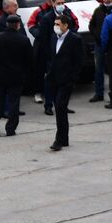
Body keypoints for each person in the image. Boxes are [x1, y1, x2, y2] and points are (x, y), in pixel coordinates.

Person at [0, 14, 34, 136]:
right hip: (16, 76)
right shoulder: (23, 40)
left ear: (7, 24)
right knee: (14, 103)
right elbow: (29, 60)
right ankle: (11, 128)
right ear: (18, 25)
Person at [46, 13, 83, 151]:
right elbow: (51, 57)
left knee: (61, 107)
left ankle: (59, 140)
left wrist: (72, 78)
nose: (56, 27)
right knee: (59, 109)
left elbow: (79, 61)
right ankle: (65, 138)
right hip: (54, 79)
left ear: (66, 26)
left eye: (58, 24)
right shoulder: (53, 38)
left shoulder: (74, 40)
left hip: (66, 80)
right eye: (55, 24)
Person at [87, 0, 112, 103]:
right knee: (98, 69)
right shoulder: (98, 10)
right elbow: (91, 25)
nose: (106, 1)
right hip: (99, 44)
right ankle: (99, 93)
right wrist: (96, 36)